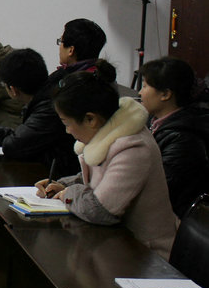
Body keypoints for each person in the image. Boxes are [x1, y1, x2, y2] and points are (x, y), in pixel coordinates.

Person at [36, 62, 177, 259]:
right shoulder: (110, 134)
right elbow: (98, 179)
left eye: (66, 123)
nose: (67, 131)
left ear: (91, 119)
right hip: (114, 246)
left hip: (145, 257)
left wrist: (68, 193)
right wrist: (62, 184)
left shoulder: (133, 147)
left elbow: (100, 210)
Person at [0, 48, 78, 177]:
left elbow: (15, 145)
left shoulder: (47, 108)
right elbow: (22, 135)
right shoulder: (47, 96)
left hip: (58, 176)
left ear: (13, 90)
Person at [140, 56, 209, 218]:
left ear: (165, 94)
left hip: (171, 219)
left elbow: (158, 190)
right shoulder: (154, 121)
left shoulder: (184, 139)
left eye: (145, 86)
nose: (140, 92)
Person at [48, 18, 106, 86]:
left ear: (70, 50)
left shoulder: (77, 84)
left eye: (61, 41)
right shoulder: (103, 76)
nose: (60, 47)